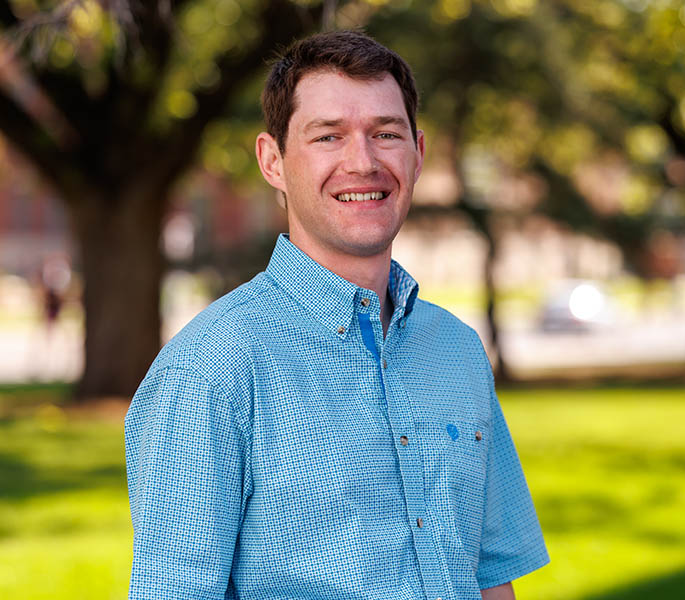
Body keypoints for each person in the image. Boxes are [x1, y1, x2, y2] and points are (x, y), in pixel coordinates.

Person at [125, 30, 548, 600]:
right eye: (328, 136)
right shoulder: (212, 368)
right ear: (273, 161)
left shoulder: (456, 349)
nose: (364, 161)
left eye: (386, 133)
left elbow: (491, 575)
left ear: (418, 154)